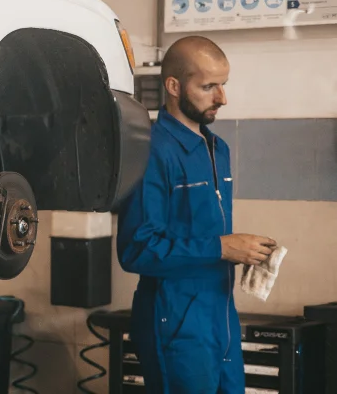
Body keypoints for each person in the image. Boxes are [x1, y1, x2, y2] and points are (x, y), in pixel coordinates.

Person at [116, 36, 276, 393]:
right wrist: (221, 248)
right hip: (174, 318)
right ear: (174, 86)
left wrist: (245, 251)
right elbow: (136, 249)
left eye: (223, 85)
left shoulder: (218, 149)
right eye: (208, 86)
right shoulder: (152, 151)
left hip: (220, 314)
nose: (222, 98)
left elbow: (207, 234)